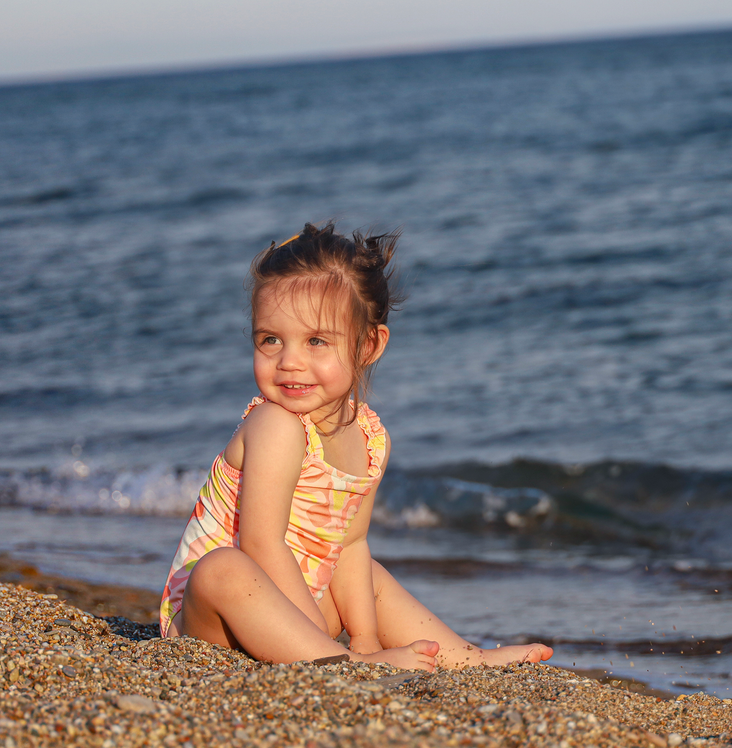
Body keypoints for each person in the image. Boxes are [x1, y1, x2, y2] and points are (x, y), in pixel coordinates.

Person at [159, 222, 554, 673]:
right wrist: (319, 636)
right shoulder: (275, 425)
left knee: (369, 578)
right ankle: (341, 663)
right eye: (270, 339)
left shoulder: (372, 440)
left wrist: (364, 635)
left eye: (316, 341)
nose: (289, 361)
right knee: (221, 568)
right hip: (213, 620)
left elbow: (350, 546)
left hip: (295, 614)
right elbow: (260, 543)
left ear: (368, 345)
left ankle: (466, 658)